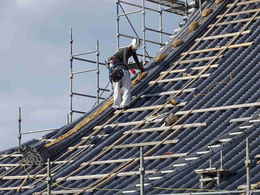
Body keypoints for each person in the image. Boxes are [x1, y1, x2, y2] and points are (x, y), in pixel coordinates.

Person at [108, 38, 145, 110]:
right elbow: (125, 61)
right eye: (135, 48)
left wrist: (141, 68)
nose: (135, 50)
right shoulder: (126, 50)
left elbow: (136, 60)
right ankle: (124, 103)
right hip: (118, 67)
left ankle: (117, 104)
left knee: (117, 86)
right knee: (126, 85)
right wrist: (127, 70)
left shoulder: (132, 51)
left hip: (116, 68)